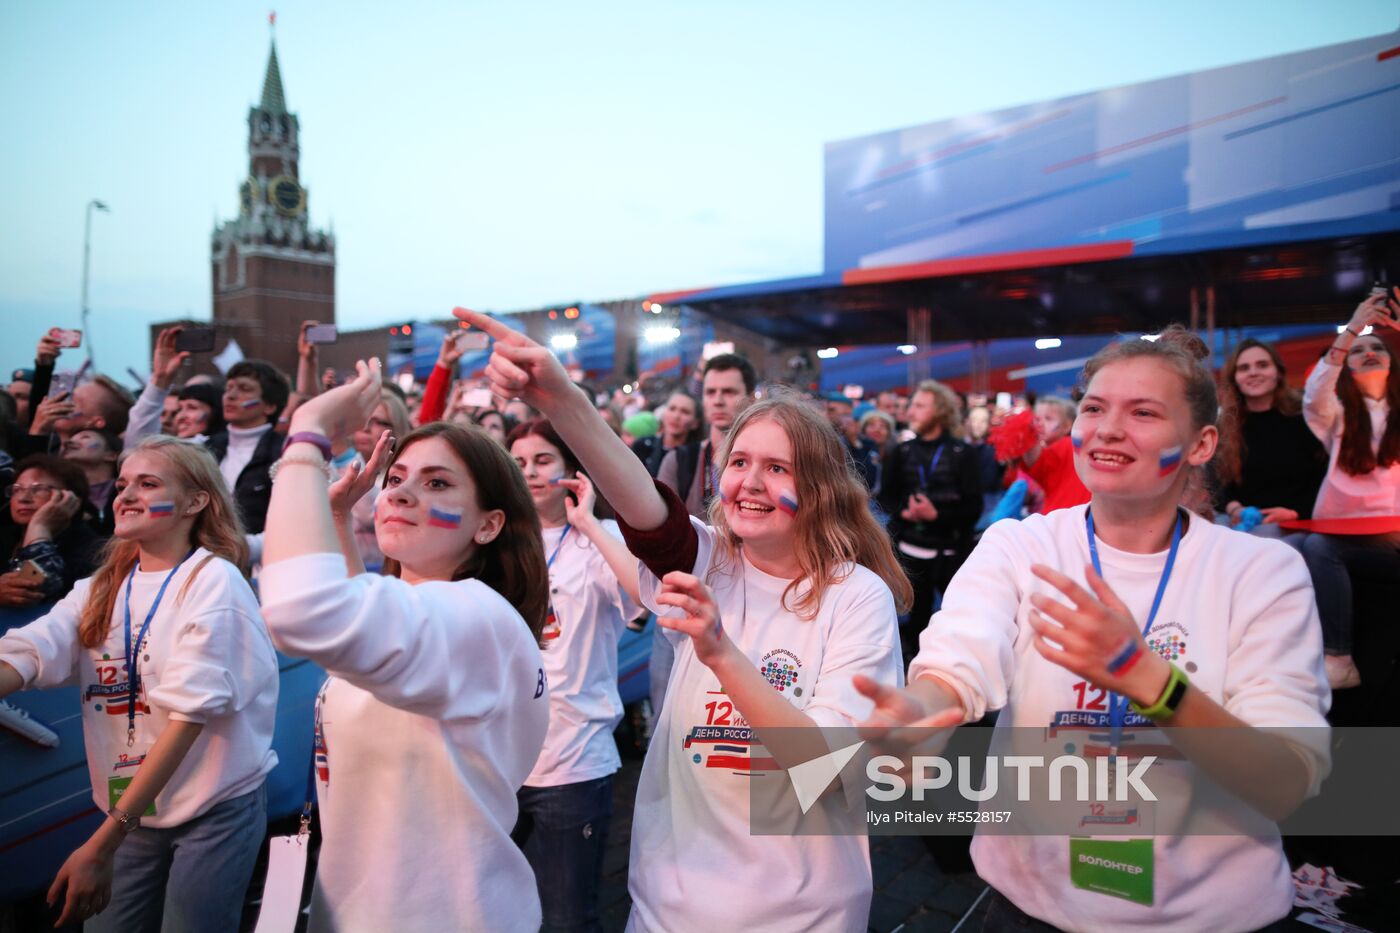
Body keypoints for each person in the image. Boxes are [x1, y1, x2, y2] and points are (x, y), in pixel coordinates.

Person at [858, 327, 1329, 932]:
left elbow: (1284, 782)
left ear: (1201, 443)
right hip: (1030, 906)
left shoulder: (1262, 572)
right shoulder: (1021, 545)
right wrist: (918, 715)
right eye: (1094, 408)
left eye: (1143, 412)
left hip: (1211, 914)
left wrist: (1150, 681)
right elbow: (961, 657)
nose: (1108, 429)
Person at [459, 307, 909, 933]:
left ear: (821, 488)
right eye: (739, 462)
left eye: (777, 468)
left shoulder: (855, 596)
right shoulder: (710, 560)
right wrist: (562, 400)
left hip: (802, 915)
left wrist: (722, 654)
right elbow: (646, 510)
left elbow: (826, 769)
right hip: (670, 908)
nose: (750, 482)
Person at [258, 360, 550, 932]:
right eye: (395, 479)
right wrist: (337, 515)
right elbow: (364, 632)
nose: (402, 493)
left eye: (437, 483)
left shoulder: (475, 618)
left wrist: (307, 436)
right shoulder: (434, 610)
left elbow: (304, 610)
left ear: (488, 525)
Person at [0, 436, 278, 931]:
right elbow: (29, 653)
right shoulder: (101, 586)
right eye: (123, 484)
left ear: (195, 502)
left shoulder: (213, 581)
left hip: (212, 807)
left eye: (147, 484)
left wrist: (102, 844)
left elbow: (187, 719)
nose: (125, 495)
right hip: (131, 809)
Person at [508, 419, 642, 932]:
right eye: (518, 462)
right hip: (500, 760)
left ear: (570, 468)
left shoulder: (600, 538)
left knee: (567, 918)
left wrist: (588, 523)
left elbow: (644, 598)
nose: (529, 472)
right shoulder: (495, 538)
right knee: (485, 908)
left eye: (542, 460)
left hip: (574, 760)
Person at [1293, 290, 1400, 689]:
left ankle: (1338, 658)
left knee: (1317, 548)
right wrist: (1353, 327)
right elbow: (1315, 394)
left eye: (1378, 347)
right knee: (1298, 548)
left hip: (1393, 543)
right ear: (1347, 366)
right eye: (1359, 351)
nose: (1368, 352)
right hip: (1343, 538)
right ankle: (1322, 659)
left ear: (1392, 360)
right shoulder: (1336, 416)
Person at [877, 378, 983, 663]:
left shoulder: (964, 454)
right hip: (910, 553)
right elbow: (886, 497)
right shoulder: (901, 452)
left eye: (920, 406)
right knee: (914, 623)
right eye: (912, 405)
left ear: (940, 411)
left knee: (956, 623)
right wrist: (905, 513)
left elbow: (974, 507)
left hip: (951, 555)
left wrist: (937, 516)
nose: (910, 411)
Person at [1214, 339, 1327, 535]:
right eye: (1244, 368)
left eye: (1263, 365)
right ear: (1235, 378)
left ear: (1278, 372)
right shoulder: (1225, 426)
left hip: (1298, 522)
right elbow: (1219, 484)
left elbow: (1323, 479)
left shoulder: (1306, 418)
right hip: (1244, 522)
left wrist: (1294, 512)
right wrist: (1235, 508)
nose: (1253, 372)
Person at [1, 454, 104, 605]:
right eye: (17, 489)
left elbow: (36, 591)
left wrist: (39, 528)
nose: (23, 498)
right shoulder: (5, 536)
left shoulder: (92, 549)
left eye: (39, 489)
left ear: (70, 499)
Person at [207, 360, 289, 534]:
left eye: (244, 389)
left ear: (269, 406)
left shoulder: (285, 453)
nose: (230, 396)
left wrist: (245, 545)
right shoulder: (205, 447)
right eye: (228, 388)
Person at [633, 390, 701, 478]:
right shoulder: (642, 446)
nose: (676, 416)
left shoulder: (699, 458)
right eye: (672, 409)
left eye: (685, 412)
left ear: (695, 423)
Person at [62, 428, 122, 529]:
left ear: (111, 455)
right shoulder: (64, 496)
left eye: (85, 437)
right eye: (70, 440)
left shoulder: (126, 490)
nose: (69, 443)